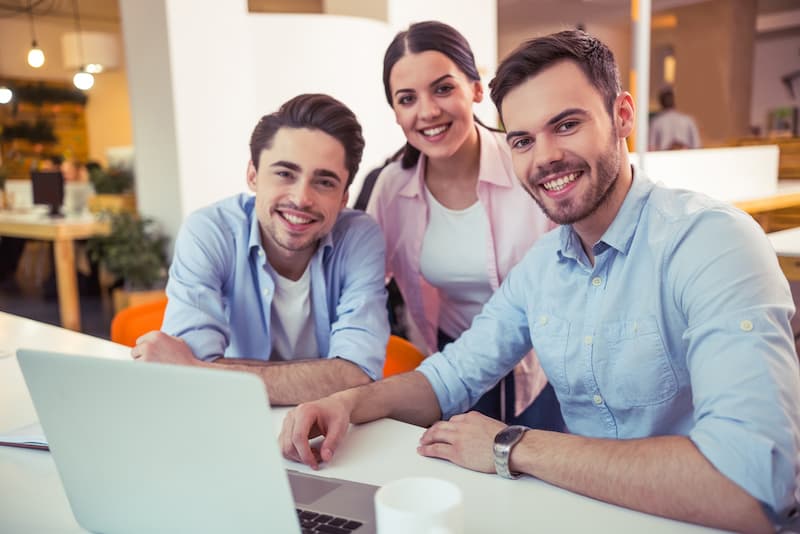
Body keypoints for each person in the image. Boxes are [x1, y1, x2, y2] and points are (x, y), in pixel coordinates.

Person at [280, 31, 800, 532]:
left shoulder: (711, 242)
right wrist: (346, 403)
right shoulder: (543, 264)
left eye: (567, 125)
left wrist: (513, 445)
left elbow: (752, 486)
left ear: (622, 116)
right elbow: (451, 375)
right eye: (524, 140)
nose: (545, 156)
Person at [132, 94, 390, 405]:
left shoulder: (361, 237)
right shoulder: (209, 230)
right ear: (252, 175)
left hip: (321, 426)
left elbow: (358, 375)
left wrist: (202, 370)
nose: (301, 198)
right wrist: (323, 377)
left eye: (324, 182)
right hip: (227, 411)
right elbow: (187, 377)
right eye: (284, 174)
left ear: (344, 196)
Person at [366, 20, 562, 429]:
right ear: (396, 113)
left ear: (475, 89)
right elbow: (363, 284)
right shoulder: (392, 188)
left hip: (545, 360)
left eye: (443, 88)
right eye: (407, 99)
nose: (428, 111)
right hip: (449, 360)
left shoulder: (527, 165)